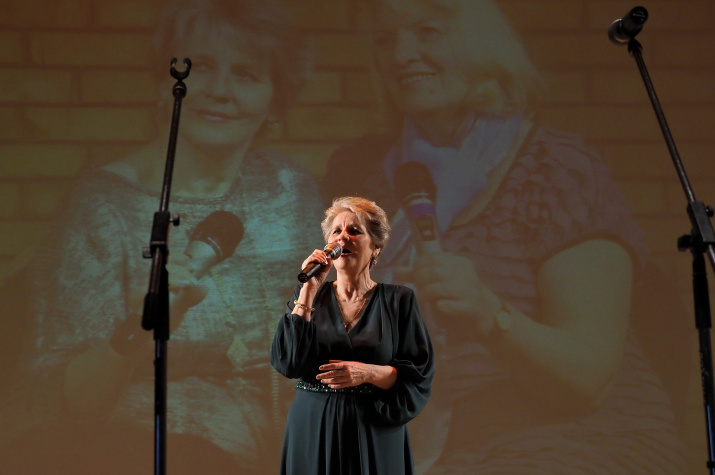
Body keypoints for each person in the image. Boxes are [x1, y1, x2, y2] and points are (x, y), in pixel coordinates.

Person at [322, 0, 687, 473]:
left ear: (480, 44)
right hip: (441, 445)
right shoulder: (370, 183)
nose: (402, 53)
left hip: (577, 438)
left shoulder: (554, 168)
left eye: (427, 32)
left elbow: (587, 380)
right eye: (385, 40)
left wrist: (486, 311)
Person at [0, 0, 323, 473]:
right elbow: (66, 403)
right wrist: (136, 332)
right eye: (200, 67)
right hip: (137, 449)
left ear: (275, 100)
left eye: (246, 74)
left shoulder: (290, 190)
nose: (219, 91)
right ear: (162, 82)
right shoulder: (105, 206)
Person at [271, 196, 435, 475]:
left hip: (374, 427)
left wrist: (369, 373)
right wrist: (308, 289)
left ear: (375, 248)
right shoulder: (307, 297)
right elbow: (288, 363)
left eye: (354, 231)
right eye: (336, 231)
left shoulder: (399, 300)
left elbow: (418, 375)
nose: (342, 237)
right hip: (313, 425)